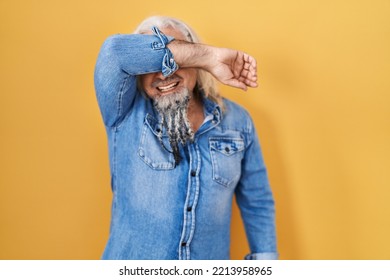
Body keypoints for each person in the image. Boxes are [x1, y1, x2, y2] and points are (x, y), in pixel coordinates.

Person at [94, 15, 278, 260]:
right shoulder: (124, 112)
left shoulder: (238, 121)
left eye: (175, 59)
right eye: (150, 63)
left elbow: (257, 201)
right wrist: (208, 57)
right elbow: (114, 52)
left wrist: (265, 263)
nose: (164, 72)